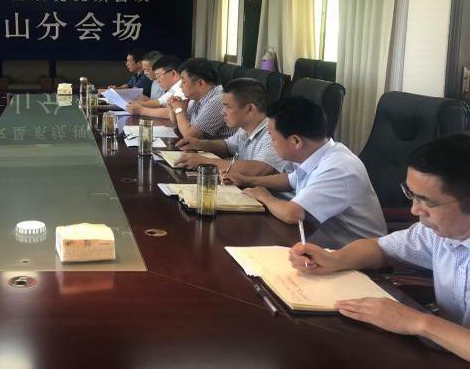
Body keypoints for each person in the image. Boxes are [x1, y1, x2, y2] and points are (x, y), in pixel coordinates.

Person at [289, 134, 470, 362]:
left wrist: (418, 322)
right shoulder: (437, 232)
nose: (414, 210)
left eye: (427, 201)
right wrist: (335, 259)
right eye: (412, 195)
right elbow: (380, 248)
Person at [224, 97, 386, 247]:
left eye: (273, 138)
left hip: (355, 257)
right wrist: (248, 180)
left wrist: (264, 197)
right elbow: (290, 180)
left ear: (296, 141)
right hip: (319, 241)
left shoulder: (338, 168)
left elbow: (293, 214)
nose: (271, 144)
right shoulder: (318, 152)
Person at [173, 78, 289, 176]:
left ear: (250, 109)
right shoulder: (244, 128)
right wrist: (199, 144)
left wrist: (205, 162)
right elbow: (228, 146)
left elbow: (258, 169)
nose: (222, 112)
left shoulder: (272, 133)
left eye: (227, 107)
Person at [166, 59, 232, 140]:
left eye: (183, 82)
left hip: (220, 148)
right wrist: (173, 109)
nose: (180, 86)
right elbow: (181, 126)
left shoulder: (218, 100)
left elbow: (190, 136)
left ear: (200, 83)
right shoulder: (196, 98)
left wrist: (180, 111)